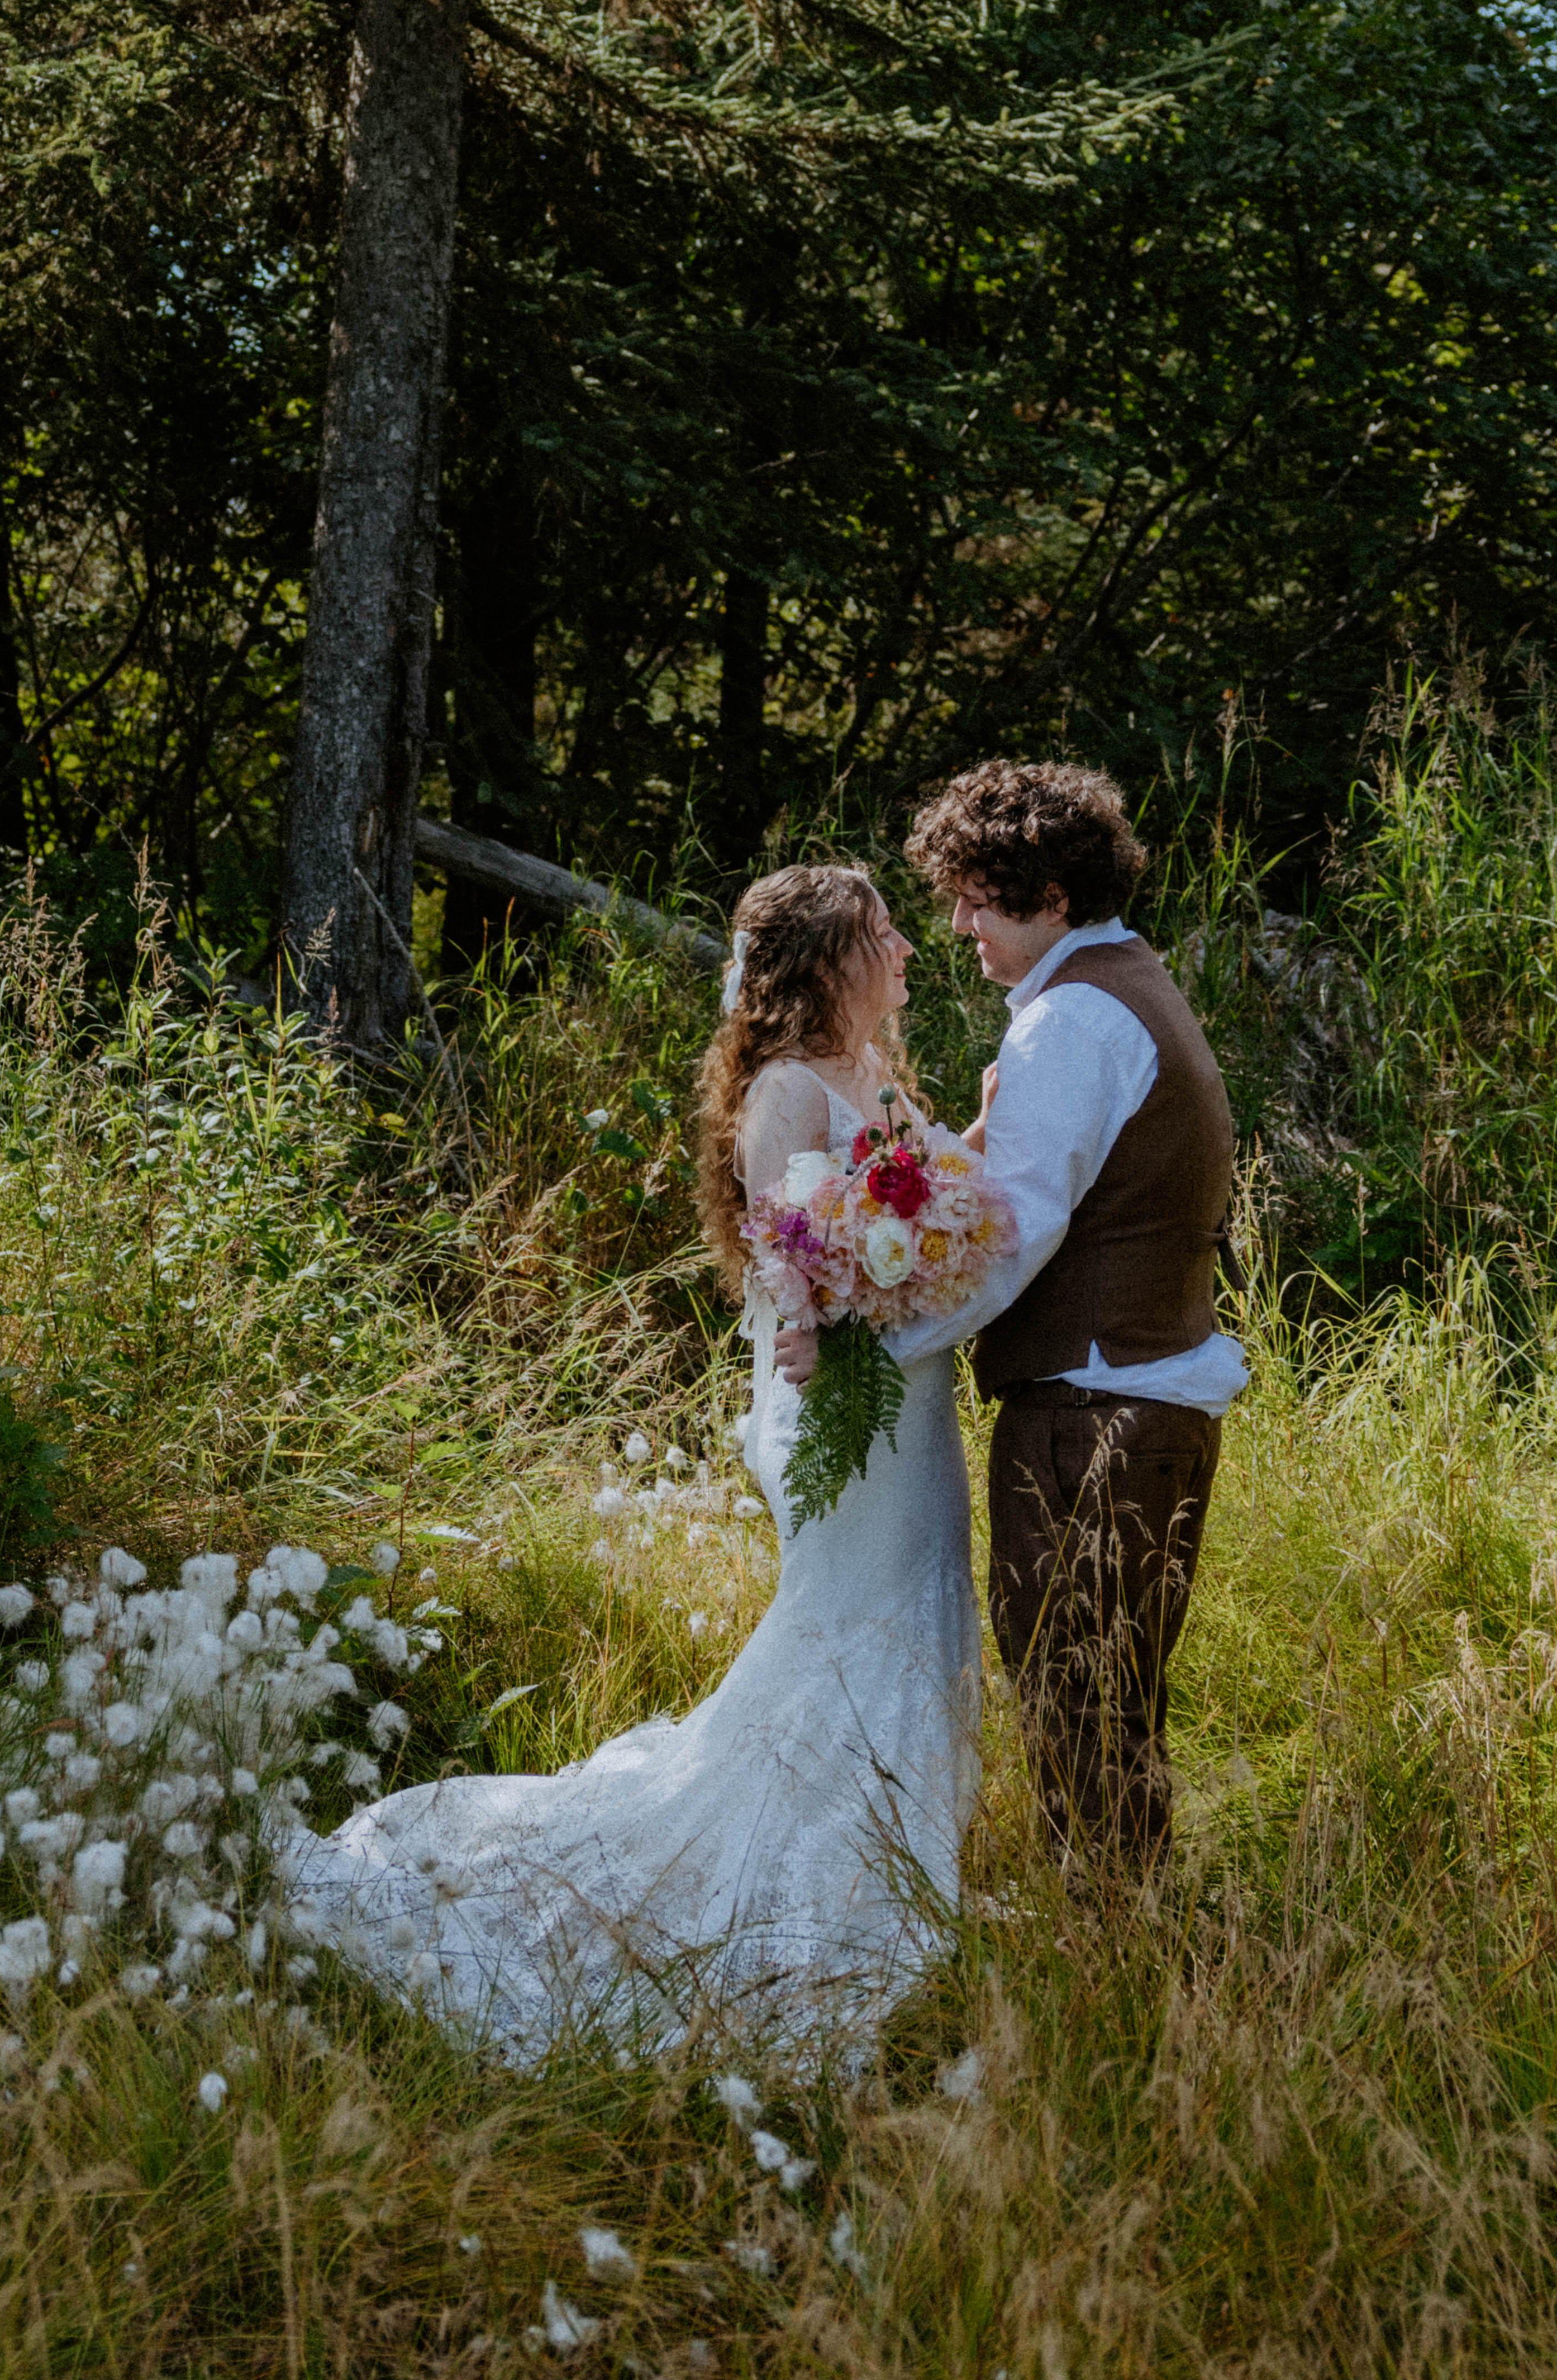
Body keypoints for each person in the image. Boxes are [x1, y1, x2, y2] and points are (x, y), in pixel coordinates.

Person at [270, 861, 980, 2060]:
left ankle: (893, 1860)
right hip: (842, 1410)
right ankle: (794, 1871)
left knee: (922, 1611)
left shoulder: (874, 1075)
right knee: (851, 1624)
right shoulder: (786, 1093)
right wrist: (850, 1286)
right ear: (825, 960)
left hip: (908, 1408)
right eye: (882, 930)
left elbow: (934, 1210)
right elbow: (788, 1268)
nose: (908, 946)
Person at [780, 758, 1242, 1879]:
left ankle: (1117, 1953)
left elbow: (1005, 1243)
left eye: (977, 895)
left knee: (1076, 1694)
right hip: (1139, 1394)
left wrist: (863, 1339)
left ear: (1048, 892)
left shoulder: (1072, 1023)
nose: (955, 923)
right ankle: (1128, 1942)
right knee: (1106, 1694)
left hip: (1094, 1410)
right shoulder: (1122, 985)